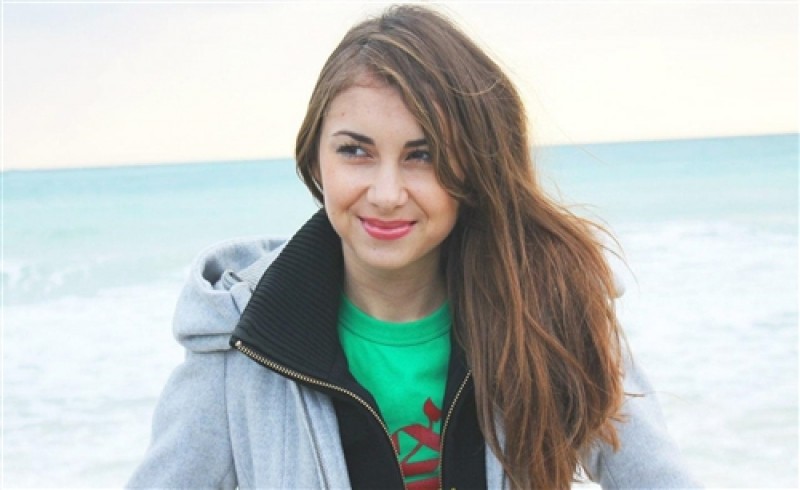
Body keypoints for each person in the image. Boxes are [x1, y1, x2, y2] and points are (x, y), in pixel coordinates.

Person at [128, 5, 699, 489]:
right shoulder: (241, 341)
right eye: (355, 151)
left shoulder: (549, 307)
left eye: (422, 156)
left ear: (476, 167)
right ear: (315, 159)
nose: (386, 193)